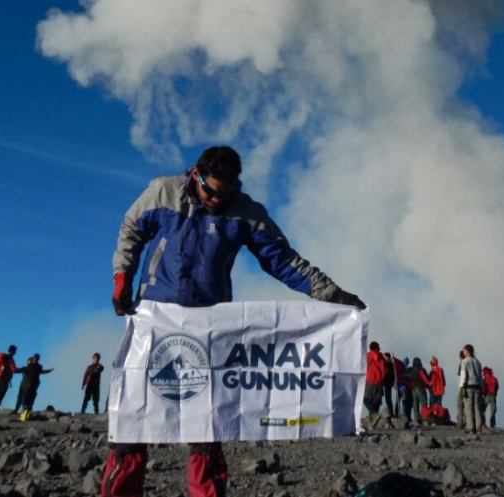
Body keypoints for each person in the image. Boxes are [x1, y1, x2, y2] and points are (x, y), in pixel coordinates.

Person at [104, 146, 366, 497]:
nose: (216, 200)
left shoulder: (246, 212)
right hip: (156, 320)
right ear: (195, 175)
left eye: (225, 193)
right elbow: (132, 227)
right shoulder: (163, 191)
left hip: (210, 328)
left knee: (206, 429)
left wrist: (330, 293)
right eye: (210, 191)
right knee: (132, 425)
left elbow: (282, 260)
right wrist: (123, 276)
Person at [459, 344, 484, 434]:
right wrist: (482, 388)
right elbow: (481, 377)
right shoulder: (478, 362)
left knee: (468, 408)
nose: (463, 352)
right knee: (477, 407)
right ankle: (478, 428)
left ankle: (470, 428)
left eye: (464, 350)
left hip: (468, 386)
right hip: (477, 386)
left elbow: (463, 375)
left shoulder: (465, 361)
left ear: (468, 351)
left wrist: (462, 387)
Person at [0, 345, 18, 413]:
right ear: (12, 351)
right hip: (5, 379)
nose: (15, 353)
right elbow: (14, 369)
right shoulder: (9, 359)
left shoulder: (2, 356)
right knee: (1, 394)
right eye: (15, 351)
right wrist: (22, 369)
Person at [365, 341, 387, 428]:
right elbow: (385, 369)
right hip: (380, 381)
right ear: (377, 348)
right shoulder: (382, 357)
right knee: (375, 402)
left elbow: (364, 365)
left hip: (371, 380)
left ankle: (374, 415)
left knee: (365, 399)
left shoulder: (369, 355)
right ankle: (373, 423)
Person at [410, 357, 429, 425]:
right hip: (421, 388)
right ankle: (424, 418)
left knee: (415, 404)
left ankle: (417, 419)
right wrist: (427, 384)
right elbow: (425, 379)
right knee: (424, 404)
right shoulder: (421, 370)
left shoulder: (411, 370)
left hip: (413, 389)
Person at [382, 352, 396, 419]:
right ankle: (390, 412)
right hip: (388, 383)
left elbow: (388, 373)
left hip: (387, 383)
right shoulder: (391, 364)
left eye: (384, 357)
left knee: (388, 398)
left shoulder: (389, 364)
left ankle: (390, 412)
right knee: (388, 398)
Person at [456, 350, 465, 429]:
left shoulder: (462, 363)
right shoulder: (473, 362)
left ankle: (460, 422)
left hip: (462, 387)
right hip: (471, 386)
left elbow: (461, 376)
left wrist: (460, 388)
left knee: (460, 405)